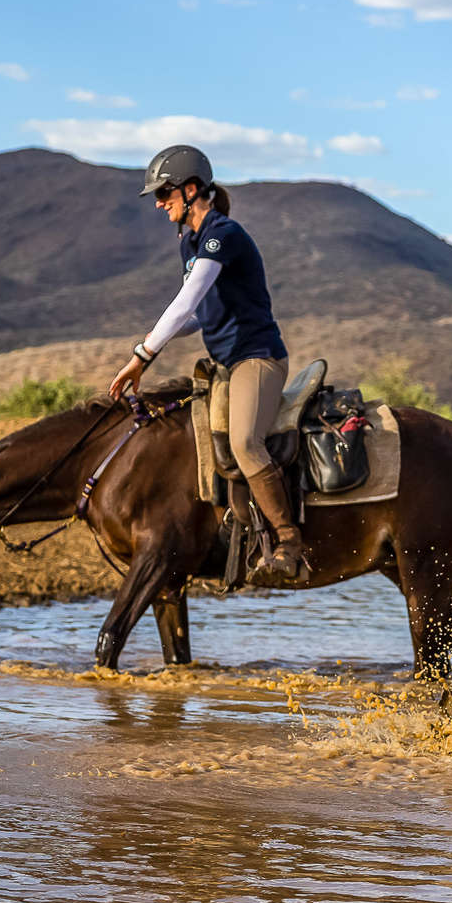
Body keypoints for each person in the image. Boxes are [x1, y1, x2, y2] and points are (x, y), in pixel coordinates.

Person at [108, 144, 304, 578]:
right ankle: (242, 533)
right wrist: (149, 341)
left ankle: (289, 543)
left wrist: (143, 356)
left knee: (245, 444)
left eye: (165, 194)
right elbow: (196, 317)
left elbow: (186, 301)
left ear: (192, 189)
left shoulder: (222, 234)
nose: (160, 204)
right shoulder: (191, 242)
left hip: (257, 359)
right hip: (225, 363)